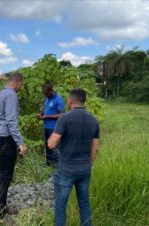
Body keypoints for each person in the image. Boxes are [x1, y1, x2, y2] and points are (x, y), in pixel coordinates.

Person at [48, 88, 100, 226]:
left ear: (70, 101)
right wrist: (89, 164)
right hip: (85, 170)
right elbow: (95, 148)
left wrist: (50, 137)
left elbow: (52, 144)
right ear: (83, 101)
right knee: (84, 203)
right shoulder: (94, 120)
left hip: (67, 170)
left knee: (60, 206)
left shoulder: (64, 118)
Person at [0, 73, 28, 221]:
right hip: (6, 139)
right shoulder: (11, 95)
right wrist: (21, 143)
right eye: (22, 85)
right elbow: (11, 121)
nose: (21, 87)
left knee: (3, 173)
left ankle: (3, 205)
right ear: (18, 83)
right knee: (5, 175)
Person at [37, 84, 65, 168]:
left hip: (55, 128)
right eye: (43, 94)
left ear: (50, 91)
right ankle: (48, 167)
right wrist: (41, 114)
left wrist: (47, 117)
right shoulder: (47, 97)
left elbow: (62, 115)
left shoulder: (58, 99)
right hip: (46, 127)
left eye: (46, 93)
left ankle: (56, 168)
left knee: (55, 148)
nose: (45, 95)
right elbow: (46, 109)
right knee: (48, 147)